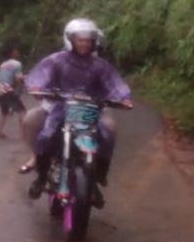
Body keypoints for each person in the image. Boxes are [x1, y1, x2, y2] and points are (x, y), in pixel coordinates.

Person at [22, 18, 133, 204]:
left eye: (89, 40)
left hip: (92, 110)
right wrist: (36, 86)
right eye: (81, 39)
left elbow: (114, 83)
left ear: (94, 41)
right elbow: (41, 75)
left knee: (109, 130)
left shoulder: (100, 65)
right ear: (70, 39)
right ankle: (40, 175)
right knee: (38, 128)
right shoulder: (56, 60)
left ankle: (97, 178)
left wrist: (124, 96)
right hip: (58, 107)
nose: (85, 43)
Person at [0, 47, 27, 140]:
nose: (17, 52)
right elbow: (18, 78)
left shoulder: (2, 65)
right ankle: (23, 135)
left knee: (4, 112)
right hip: (9, 90)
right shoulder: (17, 64)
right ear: (12, 53)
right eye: (15, 50)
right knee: (23, 112)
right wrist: (27, 77)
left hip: (0, 89)